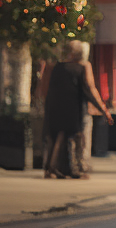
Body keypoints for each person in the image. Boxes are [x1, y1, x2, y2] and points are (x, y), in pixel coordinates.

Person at [42, 40, 112, 179]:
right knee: (72, 140)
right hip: (71, 112)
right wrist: (103, 110)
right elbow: (87, 91)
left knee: (56, 138)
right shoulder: (80, 69)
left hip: (54, 109)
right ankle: (69, 169)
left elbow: (49, 89)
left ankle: (52, 168)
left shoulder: (57, 68)